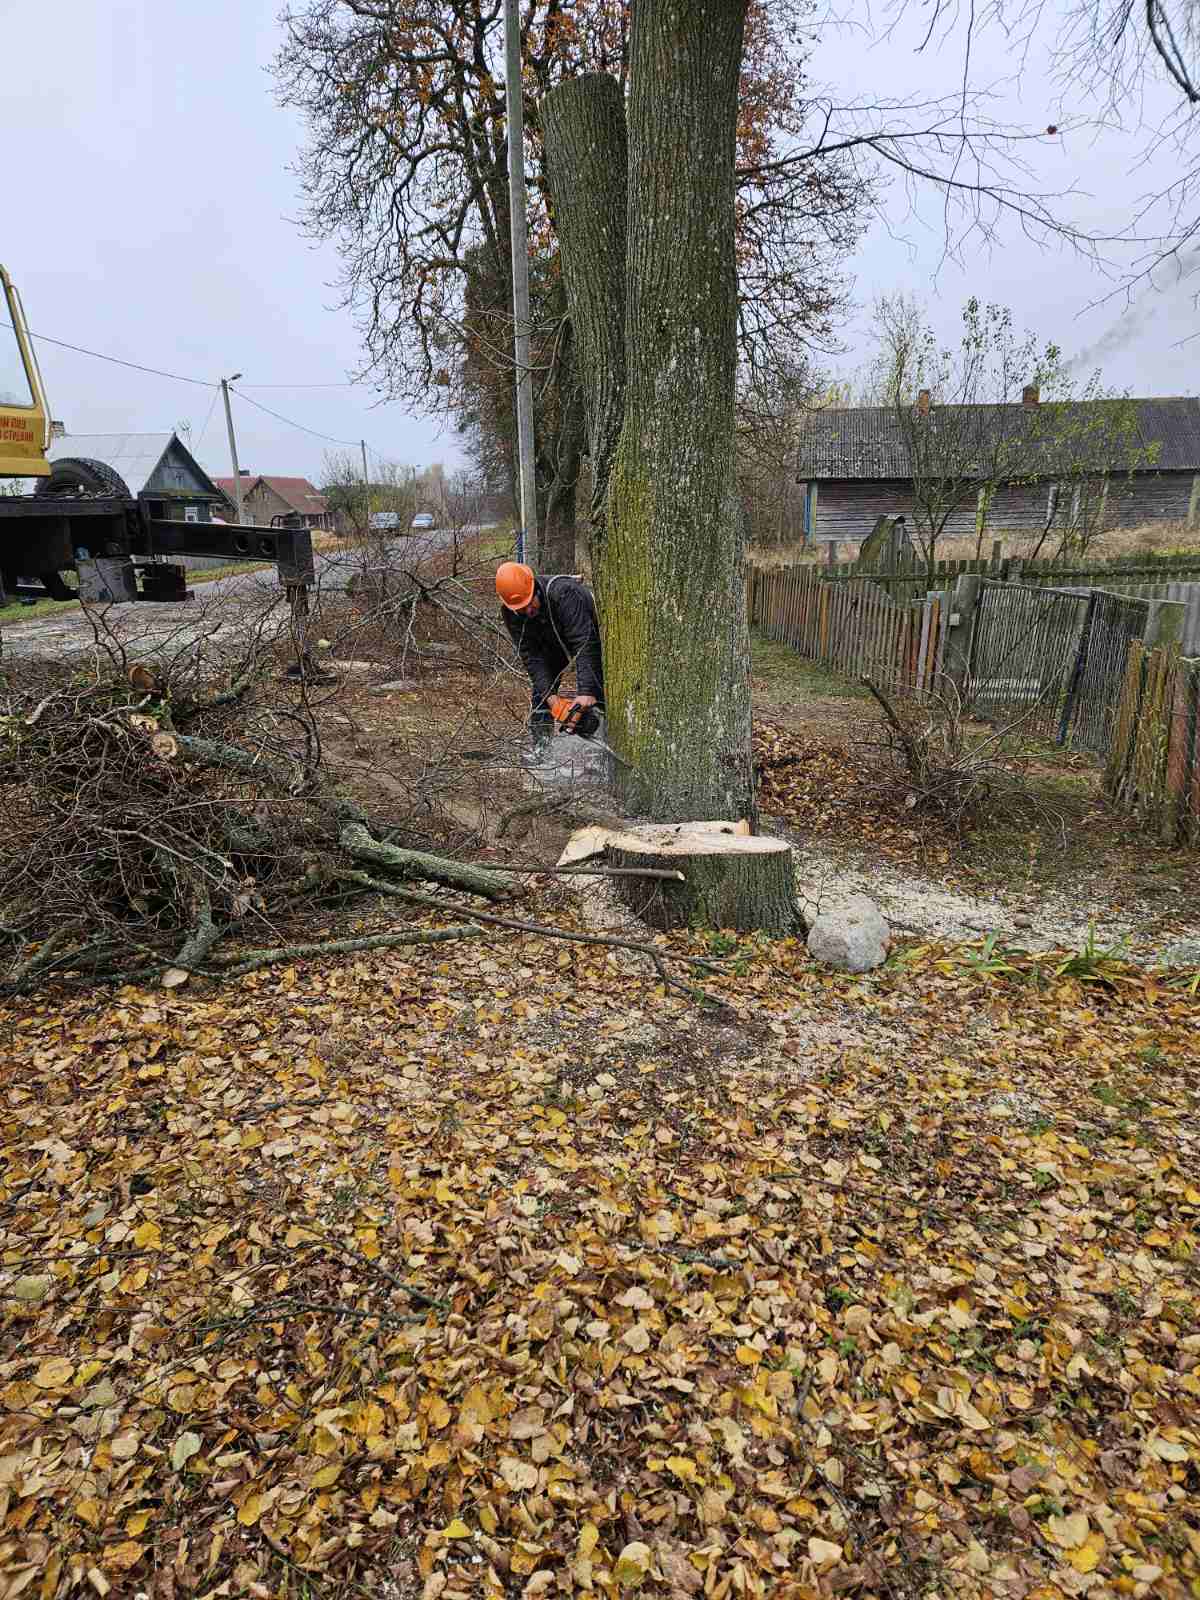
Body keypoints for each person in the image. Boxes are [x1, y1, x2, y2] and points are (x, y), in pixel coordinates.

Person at [496, 561, 604, 753]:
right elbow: (531, 657)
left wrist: (587, 691)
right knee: (541, 696)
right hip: (553, 640)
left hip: (590, 635)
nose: (528, 611)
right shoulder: (510, 613)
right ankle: (542, 751)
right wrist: (552, 700)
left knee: (597, 687)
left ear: (535, 588)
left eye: (530, 604)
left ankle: (605, 738)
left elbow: (585, 641)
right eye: (521, 609)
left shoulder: (564, 593)